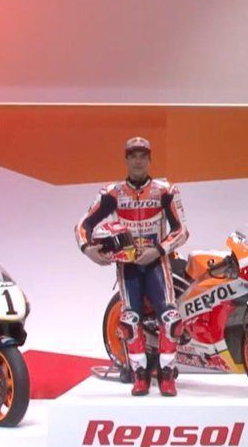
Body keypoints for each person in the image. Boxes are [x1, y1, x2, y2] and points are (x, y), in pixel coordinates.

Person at [76, 137, 189, 397]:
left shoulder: (165, 190)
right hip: (127, 264)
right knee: (129, 320)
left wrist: (158, 250)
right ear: (126, 159)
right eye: (133, 156)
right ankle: (140, 375)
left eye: (143, 156)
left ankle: (167, 375)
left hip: (156, 262)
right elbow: (83, 224)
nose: (138, 161)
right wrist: (87, 248)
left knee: (171, 319)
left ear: (150, 160)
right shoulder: (112, 193)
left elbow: (182, 230)